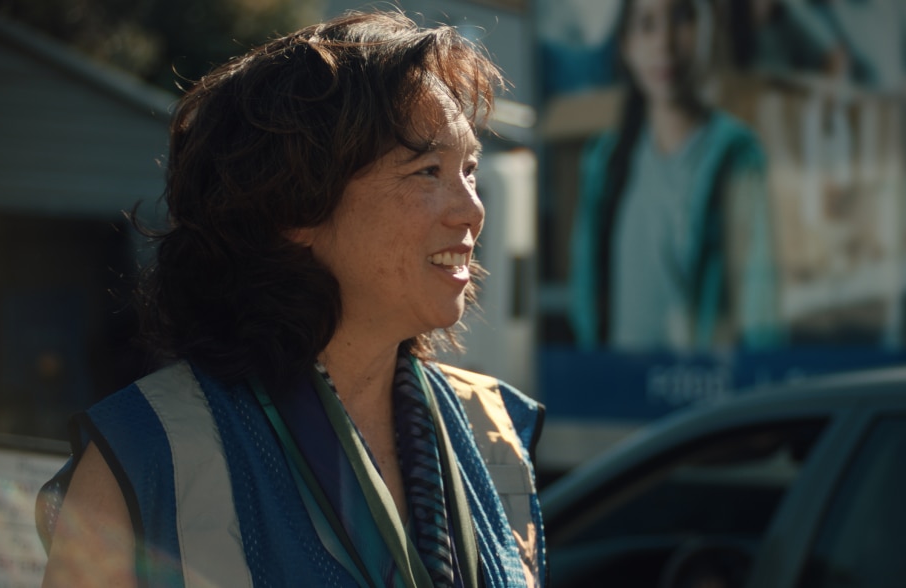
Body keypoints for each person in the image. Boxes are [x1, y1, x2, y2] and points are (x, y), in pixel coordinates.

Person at [36, 10, 545, 588]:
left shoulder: (494, 431)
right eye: (428, 171)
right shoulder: (148, 453)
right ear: (295, 208)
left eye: (470, 170)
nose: (472, 210)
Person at [569, 0, 785, 352]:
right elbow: (586, 301)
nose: (664, 43)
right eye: (647, 24)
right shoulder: (604, 161)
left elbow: (760, 310)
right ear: (626, 44)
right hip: (620, 390)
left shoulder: (737, 154)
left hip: (704, 391)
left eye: (683, 18)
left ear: (709, 29)